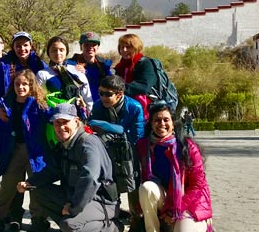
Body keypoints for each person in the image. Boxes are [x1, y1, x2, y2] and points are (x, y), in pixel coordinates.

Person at [18, 103, 122, 232]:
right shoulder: (64, 144)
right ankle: (73, 223)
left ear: (76, 121)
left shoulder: (88, 143)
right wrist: (30, 183)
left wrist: (73, 207)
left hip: (101, 201)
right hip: (75, 195)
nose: (61, 127)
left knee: (69, 225)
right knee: (37, 191)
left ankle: (112, 227)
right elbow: (53, 171)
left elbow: (90, 178)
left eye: (65, 122)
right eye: (57, 123)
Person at [0, 31, 47, 227]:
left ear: (31, 45)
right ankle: (1, 218)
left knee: (36, 184)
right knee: (8, 185)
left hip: (34, 148)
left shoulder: (39, 66)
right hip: (14, 146)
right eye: (18, 45)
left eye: (26, 44)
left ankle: (39, 219)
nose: (22, 48)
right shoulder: (5, 67)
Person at [136, 103, 213, 232]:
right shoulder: (143, 146)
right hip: (164, 196)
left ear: (173, 123)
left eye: (166, 120)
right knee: (146, 188)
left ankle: (201, 224)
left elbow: (197, 185)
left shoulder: (187, 147)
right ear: (151, 123)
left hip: (189, 201)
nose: (161, 124)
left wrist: (174, 209)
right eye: (157, 120)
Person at [89, 75, 145, 230]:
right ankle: (113, 216)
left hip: (130, 152)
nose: (103, 97)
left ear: (120, 94)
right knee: (110, 185)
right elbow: (95, 131)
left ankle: (137, 219)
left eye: (108, 94)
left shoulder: (134, 107)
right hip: (106, 152)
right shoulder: (98, 106)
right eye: (101, 93)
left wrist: (112, 129)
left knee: (132, 185)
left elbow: (137, 137)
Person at [37, 36, 93, 114]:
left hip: (76, 116)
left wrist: (89, 113)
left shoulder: (76, 70)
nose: (58, 53)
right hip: (54, 116)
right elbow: (41, 99)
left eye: (61, 50)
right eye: (54, 50)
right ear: (48, 53)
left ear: (66, 52)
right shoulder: (42, 74)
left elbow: (87, 96)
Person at [114, 34, 157, 121]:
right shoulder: (120, 66)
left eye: (128, 47)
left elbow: (144, 86)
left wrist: (119, 89)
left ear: (136, 48)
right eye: (122, 47)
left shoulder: (145, 63)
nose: (124, 50)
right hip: (123, 109)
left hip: (144, 111)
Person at [69, 31, 113, 103]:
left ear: (98, 47)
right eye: (86, 45)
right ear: (81, 47)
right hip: (81, 104)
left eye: (94, 45)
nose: (90, 47)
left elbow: (111, 83)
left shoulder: (104, 65)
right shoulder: (72, 64)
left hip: (100, 104)